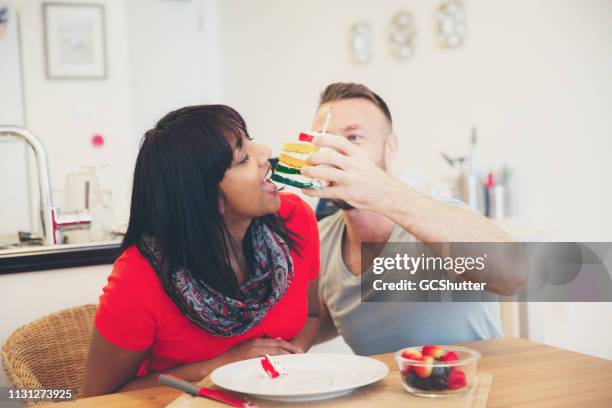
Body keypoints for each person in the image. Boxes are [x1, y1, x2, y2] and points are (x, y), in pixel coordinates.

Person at [82, 105, 320, 396]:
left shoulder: (295, 219)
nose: (265, 152)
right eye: (243, 158)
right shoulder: (139, 277)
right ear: (207, 200)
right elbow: (97, 398)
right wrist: (218, 368)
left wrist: (283, 363)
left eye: (250, 140)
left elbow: (312, 316)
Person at [300, 83, 524, 355]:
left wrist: (381, 192)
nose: (332, 153)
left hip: (478, 390)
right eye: (323, 140)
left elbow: (514, 274)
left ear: (390, 148)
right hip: (389, 396)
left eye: (353, 138)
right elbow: (326, 315)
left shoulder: (441, 218)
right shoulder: (319, 239)